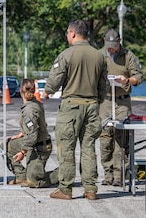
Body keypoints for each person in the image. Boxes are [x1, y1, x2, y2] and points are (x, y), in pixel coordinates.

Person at [43, 20, 107, 200]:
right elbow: (104, 85)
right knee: (88, 149)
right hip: (92, 106)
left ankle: (65, 189)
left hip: (71, 107)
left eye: (67, 34)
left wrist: (47, 92)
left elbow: (54, 81)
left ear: (72, 33)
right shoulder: (99, 56)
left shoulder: (67, 54)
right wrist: (97, 101)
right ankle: (91, 189)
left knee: (67, 148)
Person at [99, 28, 143, 187]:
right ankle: (108, 174)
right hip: (105, 101)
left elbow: (139, 76)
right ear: (104, 40)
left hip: (122, 101)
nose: (111, 49)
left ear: (119, 41)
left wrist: (127, 80)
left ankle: (119, 175)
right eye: (108, 45)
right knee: (105, 138)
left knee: (121, 139)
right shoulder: (99, 55)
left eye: (114, 46)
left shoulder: (128, 56)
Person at [2, 79, 59, 188]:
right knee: (7, 145)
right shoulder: (33, 103)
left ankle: (63, 173)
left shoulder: (30, 110)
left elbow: (32, 134)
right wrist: (21, 134)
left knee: (34, 182)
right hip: (33, 143)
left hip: (40, 147)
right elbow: (31, 127)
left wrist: (23, 152)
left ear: (20, 91)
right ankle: (21, 176)